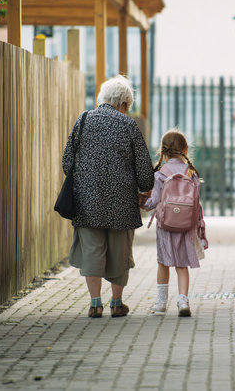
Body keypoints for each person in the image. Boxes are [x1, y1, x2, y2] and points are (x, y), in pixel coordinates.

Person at [62, 75, 154, 318]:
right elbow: (144, 169)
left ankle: (95, 303)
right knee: (119, 253)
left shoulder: (82, 121)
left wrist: (86, 180)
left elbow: (67, 162)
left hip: (87, 202)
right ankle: (116, 302)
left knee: (92, 251)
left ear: (102, 98)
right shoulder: (128, 125)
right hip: (122, 203)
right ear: (123, 104)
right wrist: (144, 190)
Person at [141, 129, 207, 317]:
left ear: (162, 152)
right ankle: (183, 300)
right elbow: (195, 201)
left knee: (163, 263)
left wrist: (143, 204)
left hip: (166, 225)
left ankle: (161, 303)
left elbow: (153, 202)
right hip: (187, 225)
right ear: (186, 150)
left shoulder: (160, 174)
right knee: (182, 264)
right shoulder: (191, 173)